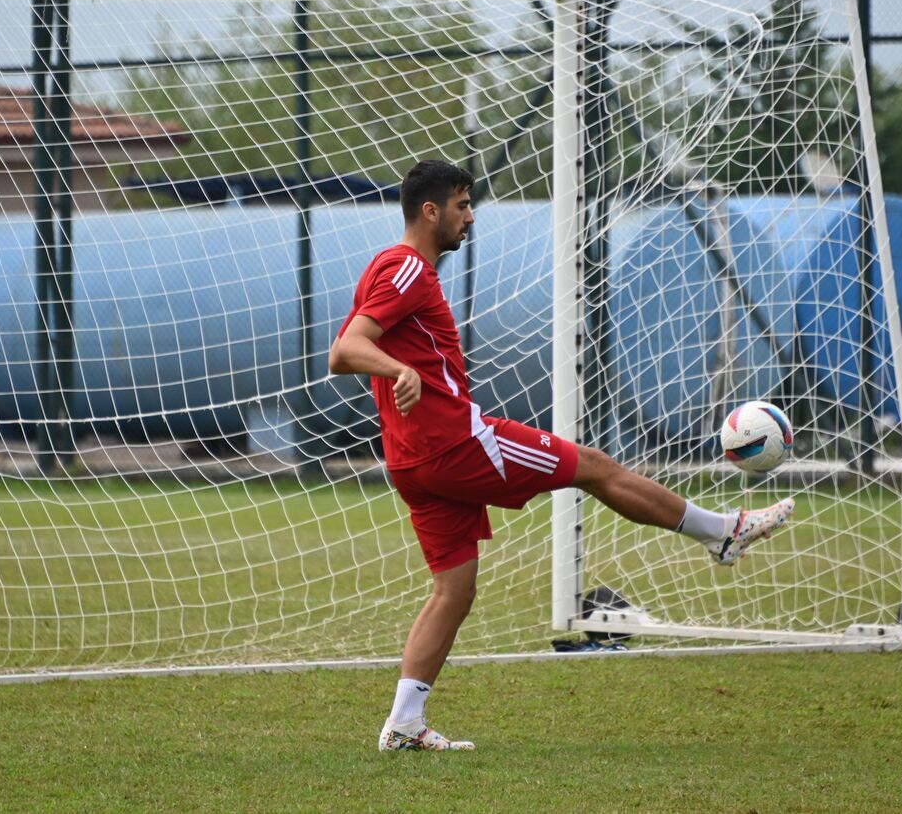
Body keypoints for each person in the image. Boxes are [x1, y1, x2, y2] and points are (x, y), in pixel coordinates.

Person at [328, 159, 795, 752]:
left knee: (455, 592)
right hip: (455, 445)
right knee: (596, 467)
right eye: (462, 205)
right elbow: (346, 349)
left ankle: (403, 724)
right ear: (430, 210)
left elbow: (350, 345)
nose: (470, 217)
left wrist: (398, 370)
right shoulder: (407, 270)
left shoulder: (388, 268)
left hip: (413, 462)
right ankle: (722, 532)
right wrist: (401, 371)